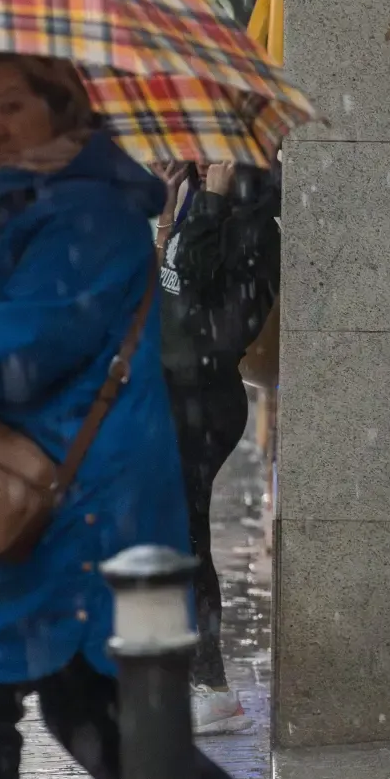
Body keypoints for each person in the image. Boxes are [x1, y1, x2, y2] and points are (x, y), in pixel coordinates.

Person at [0, 52, 359, 779]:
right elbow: (25, 346)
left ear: (62, 108)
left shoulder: (82, 212)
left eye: (12, 105)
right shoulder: (36, 205)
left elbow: (13, 352)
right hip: (68, 491)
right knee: (90, 707)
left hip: (75, 504)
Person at [155, 151, 280, 736]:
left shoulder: (253, 222)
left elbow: (199, 286)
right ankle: (186, 674)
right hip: (169, 394)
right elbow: (165, 290)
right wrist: (169, 208)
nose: (204, 158)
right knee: (170, 534)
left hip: (205, 400)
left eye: (216, 146)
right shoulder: (194, 208)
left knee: (185, 537)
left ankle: (211, 685)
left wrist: (209, 202)